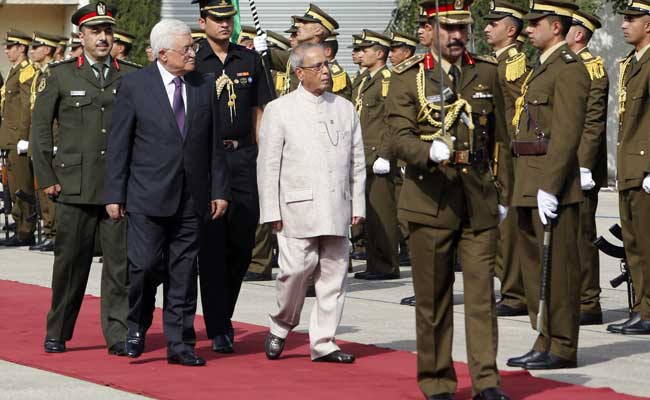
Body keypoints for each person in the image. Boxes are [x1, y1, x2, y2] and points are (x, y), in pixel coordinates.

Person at [385, 0, 511, 398]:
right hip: (430, 200)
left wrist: (503, 192)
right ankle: (437, 380)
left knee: (481, 300)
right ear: (432, 27)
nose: (457, 36)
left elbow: (503, 140)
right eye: (449, 29)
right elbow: (397, 137)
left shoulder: (486, 72)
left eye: (463, 28)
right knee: (434, 299)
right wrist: (427, 153)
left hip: (478, 201)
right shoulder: (409, 78)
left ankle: (486, 382)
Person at [105, 18, 229, 366]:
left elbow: (214, 146)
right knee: (144, 268)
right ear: (162, 54)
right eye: (187, 48)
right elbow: (119, 144)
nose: (194, 53)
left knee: (184, 273)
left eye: (193, 46)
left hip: (192, 198)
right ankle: (137, 325)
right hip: (146, 196)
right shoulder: (134, 85)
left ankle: (180, 343)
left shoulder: (203, 85)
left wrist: (219, 189)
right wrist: (115, 194)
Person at [31, 1, 139, 355]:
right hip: (73, 186)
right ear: (82, 35)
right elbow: (40, 131)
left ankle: (118, 334)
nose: (103, 37)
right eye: (96, 31)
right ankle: (58, 331)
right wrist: (46, 177)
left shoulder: (131, 75)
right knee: (69, 265)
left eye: (108, 31)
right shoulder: (61, 75)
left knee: (119, 267)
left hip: (117, 187)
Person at [258, 42, 365, 363]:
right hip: (296, 207)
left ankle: (324, 342)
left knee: (334, 275)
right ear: (299, 73)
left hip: (336, 207)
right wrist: (271, 211)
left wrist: (358, 204)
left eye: (327, 65)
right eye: (317, 67)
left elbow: (356, 161)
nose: (325, 72)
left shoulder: (345, 108)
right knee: (295, 271)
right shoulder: (280, 109)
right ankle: (281, 324)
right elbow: (268, 166)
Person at [506, 0, 589, 370]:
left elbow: (568, 134)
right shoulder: (542, 67)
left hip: (549, 185)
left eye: (534, 23)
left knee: (556, 271)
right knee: (534, 269)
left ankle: (563, 346)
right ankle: (544, 337)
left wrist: (550, 186)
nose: (527, 29)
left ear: (556, 27)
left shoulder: (569, 70)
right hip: (528, 180)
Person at [192, 0, 273, 354]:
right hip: (210, 160)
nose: (225, 24)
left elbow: (259, 111)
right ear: (203, 21)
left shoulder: (248, 59)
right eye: (218, 19)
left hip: (243, 157)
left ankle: (224, 314)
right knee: (211, 247)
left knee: (241, 246)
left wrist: (263, 159)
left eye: (230, 18)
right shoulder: (194, 61)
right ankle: (219, 325)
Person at [483, 0, 530, 318]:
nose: (487, 27)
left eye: (493, 23)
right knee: (496, 224)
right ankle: (507, 286)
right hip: (493, 154)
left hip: (508, 155)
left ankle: (515, 293)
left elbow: (518, 112)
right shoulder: (495, 62)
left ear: (510, 30)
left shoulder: (513, 62)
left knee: (509, 225)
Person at [609, 0, 650, 335]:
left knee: (648, 244)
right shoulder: (631, 63)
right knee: (634, 245)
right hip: (629, 168)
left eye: (632, 19)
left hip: (644, 167)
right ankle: (641, 309)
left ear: (648, 24)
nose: (624, 24)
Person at [566, 9, 609, 326]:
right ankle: (572, 297)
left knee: (582, 235)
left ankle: (588, 302)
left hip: (580, 169)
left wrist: (583, 166)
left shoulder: (592, 68)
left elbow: (592, 124)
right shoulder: (565, 66)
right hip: (560, 166)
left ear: (579, 34)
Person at [353, 30, 400, 281]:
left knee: (382, 212)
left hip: (378, 157)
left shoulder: (386, 79)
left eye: (365, 50)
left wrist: (385, 154)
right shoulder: (363, 80)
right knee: (369, 214)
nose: (360, 54)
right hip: (363, 156)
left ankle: (386, 265)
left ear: (380, 53)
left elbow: (392, 121)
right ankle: (374, 263)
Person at [255, 4, 351, 100]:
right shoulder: (294, 56)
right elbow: (267, 58)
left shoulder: (322, 67)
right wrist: (260, 49)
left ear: (318, 30)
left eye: (305, 23)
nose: (299, 25)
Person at [0, 30, 36, 247]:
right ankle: (20, 225)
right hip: (9, 137)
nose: (6, 50)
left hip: (17, 139)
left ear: (21, 48)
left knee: (22, 186)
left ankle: (26, 230)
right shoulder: (14, 71)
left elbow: (26, 107)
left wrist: (23, 137)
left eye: (10, 46)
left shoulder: (26, 71)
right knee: (12, 186)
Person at [28, 31, 62, 252]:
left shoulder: (54, 73)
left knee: (52, 190)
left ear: (47, 49)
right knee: (42, 188)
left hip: (54, 139)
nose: (31, 51)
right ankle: (50, 230)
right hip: (39, 138)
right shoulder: (40, 74)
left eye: (35, 47)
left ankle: (56, 232)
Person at [388, 30, 418, 267]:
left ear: (407, 52)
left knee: (410, 213)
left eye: (394, 49)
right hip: (400, 155)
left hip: (412, 156)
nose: (390, 54)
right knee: (401, 212)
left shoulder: (413, 77)